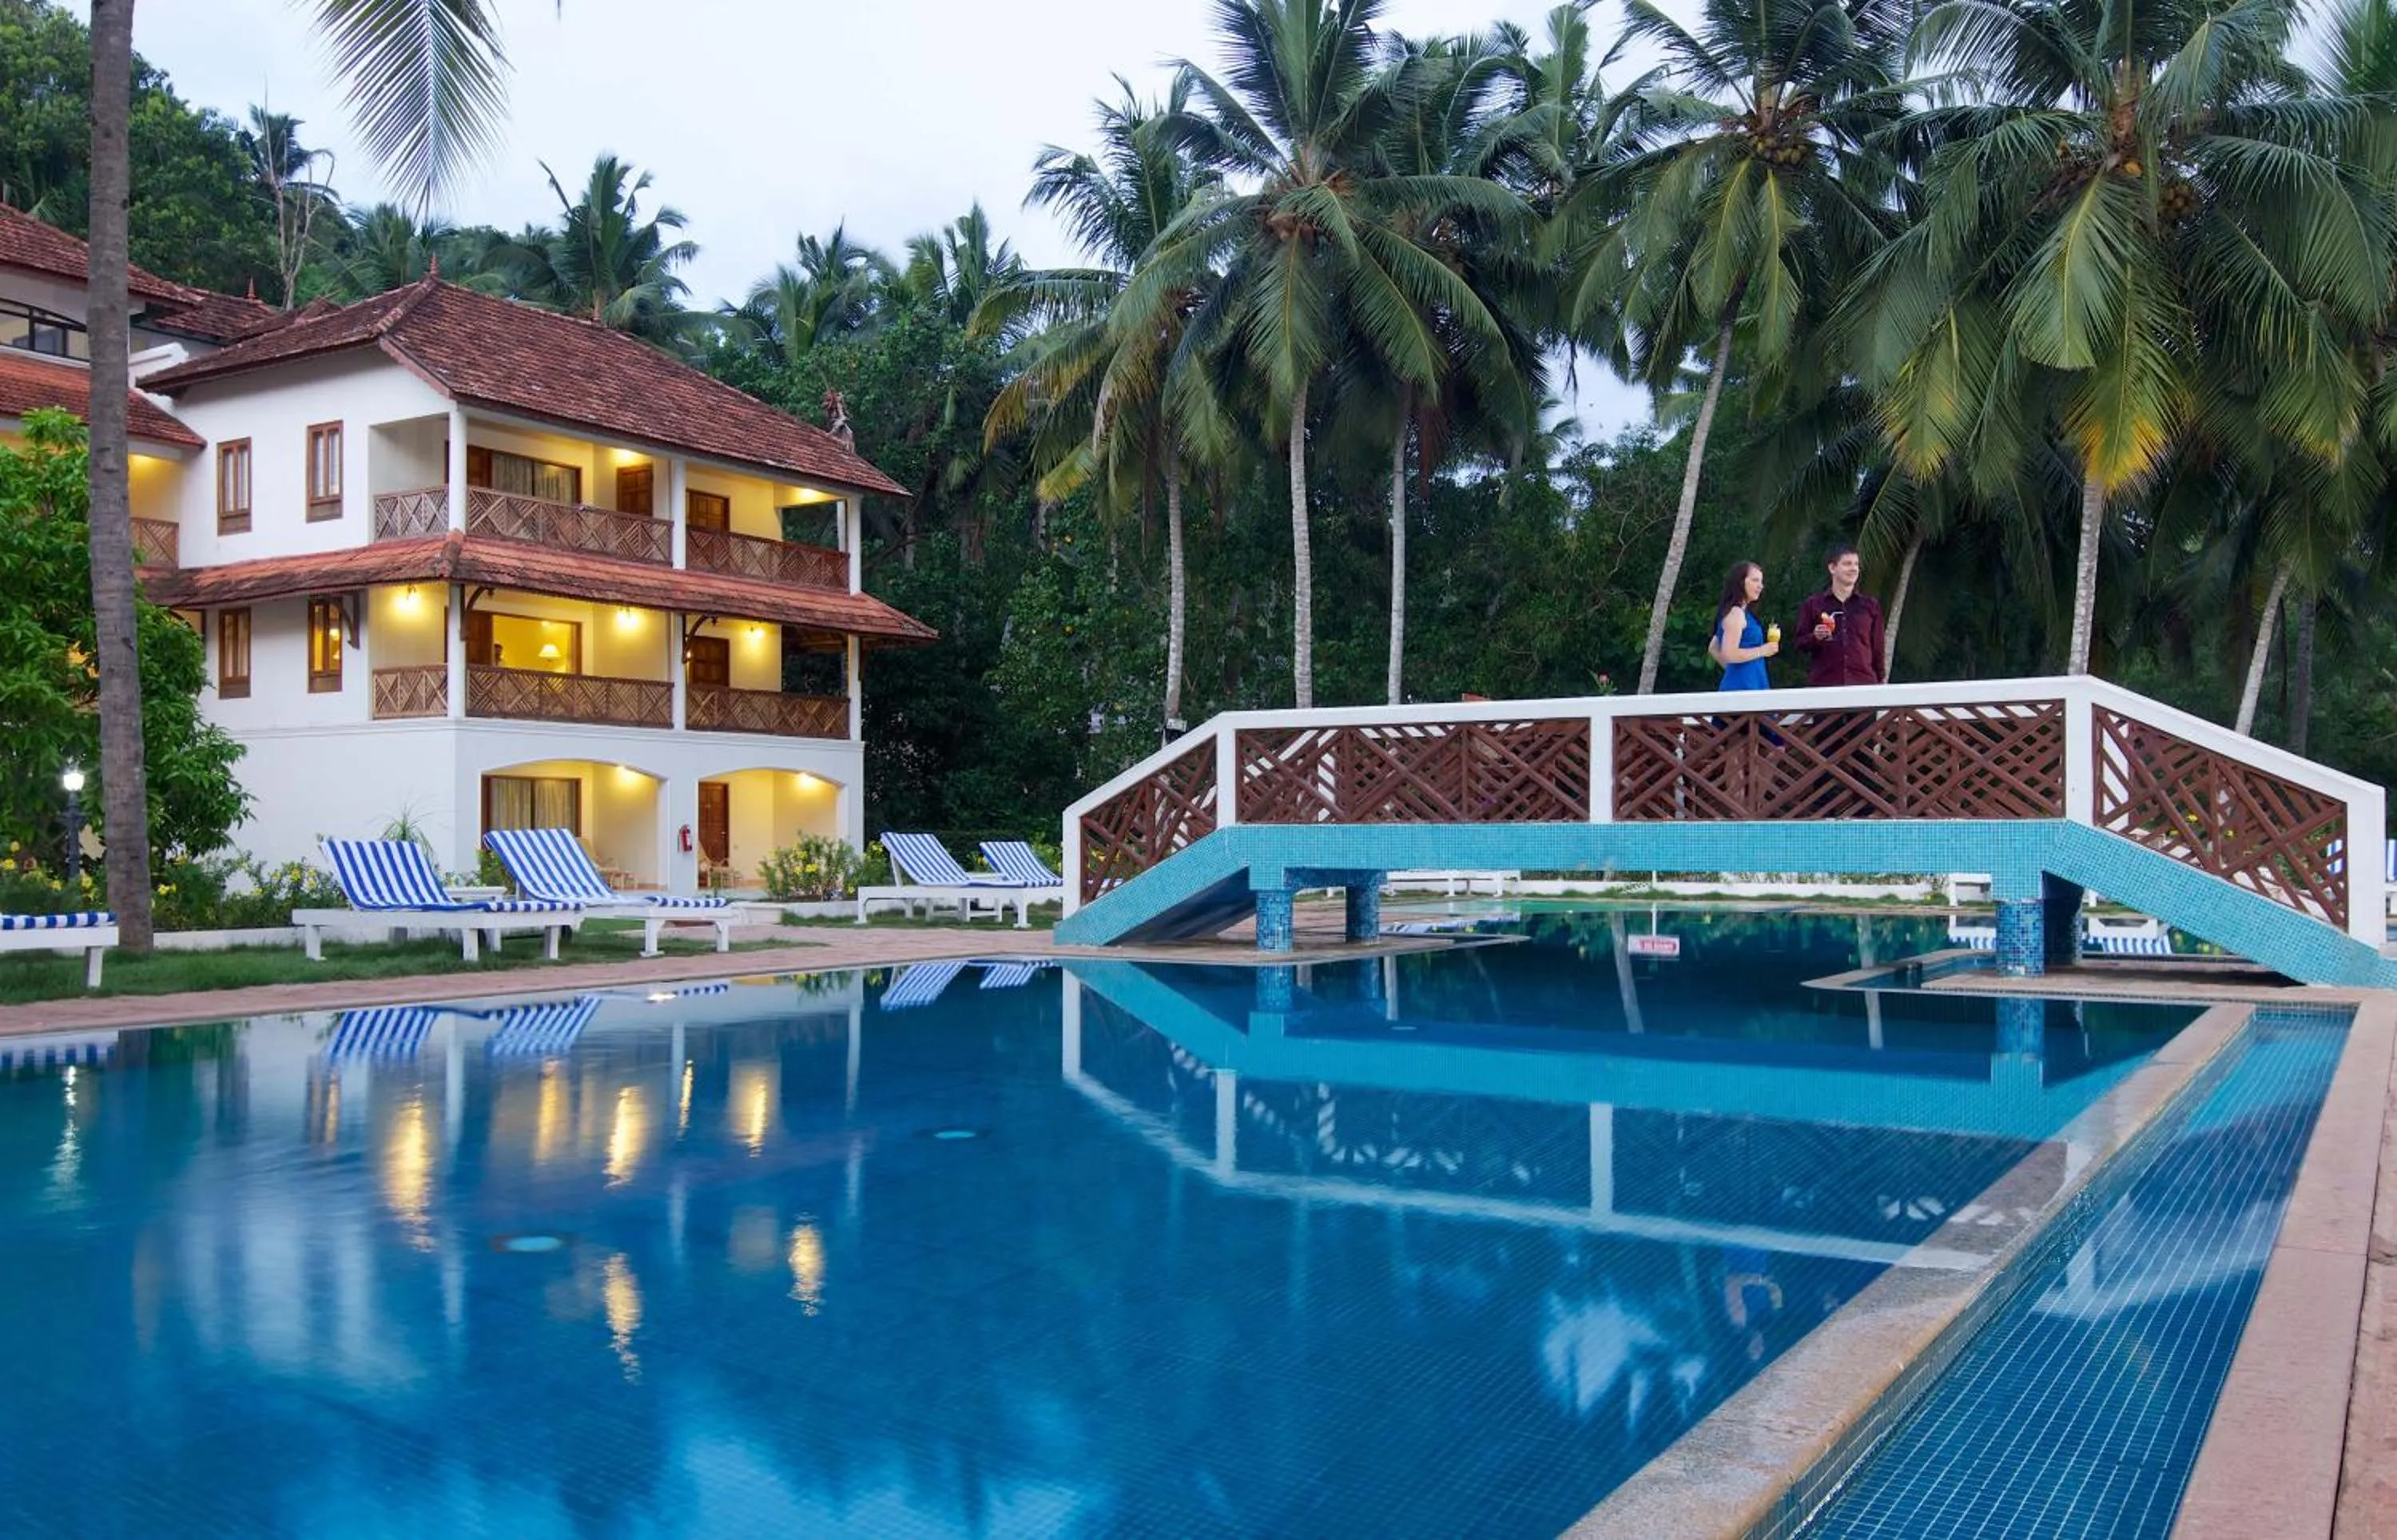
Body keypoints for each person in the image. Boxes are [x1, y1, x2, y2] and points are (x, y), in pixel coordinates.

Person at [1794, 544, 1886, 687]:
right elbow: (1799, 643)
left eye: (1856, 564)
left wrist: (1881, 681)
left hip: (1864, 686)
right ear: (1832, 568)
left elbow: (1878, 649)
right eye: (1847, 564)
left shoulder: (1870, 606)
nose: (1854, 568)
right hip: (1825, 686)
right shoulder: (1813, 604)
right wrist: (1815, 637)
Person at [1711, 561, 1779, 691]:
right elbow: (1729, 653)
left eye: (1761, 582)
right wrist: (1763, 650)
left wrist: (1735, 670)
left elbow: (1713, 647)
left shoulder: (1739, 612)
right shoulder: (1736, 613)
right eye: (1755, 580)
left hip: (1748, 682)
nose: (1760, 586)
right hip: (1744, 687)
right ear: (1740, 582)